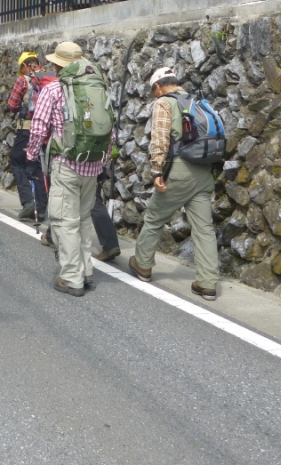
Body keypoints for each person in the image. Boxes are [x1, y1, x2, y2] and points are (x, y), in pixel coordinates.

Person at [27, 41, 110, 297]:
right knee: (84, 219)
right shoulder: (99, 86)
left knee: (65, 222)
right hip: (93, 164)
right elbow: (110, 128)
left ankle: (71, 277)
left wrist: (31, 154)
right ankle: (85, 272)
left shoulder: (52, 89)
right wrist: (102, 161)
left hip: (66, 164)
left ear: (57, 64)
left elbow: (39, 126)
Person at [128, 67, 218, 301]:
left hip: (179, 170)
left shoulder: (164, 103)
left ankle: (143, 265)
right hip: (203, 172)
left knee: (154, 217)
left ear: (158, 86)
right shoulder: (196, 100)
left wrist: (156, 170)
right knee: (204, 229)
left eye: (154, 91)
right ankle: (207, 283)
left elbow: (160, 139)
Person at [6, 52, 50, 222]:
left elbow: (12, 105)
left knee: (18, 163)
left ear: (24, 65)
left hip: (27, 129)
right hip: (46, 130)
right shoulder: (49, 78)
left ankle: (28, 202)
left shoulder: (24, 79)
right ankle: (41, 208)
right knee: (39, 167)